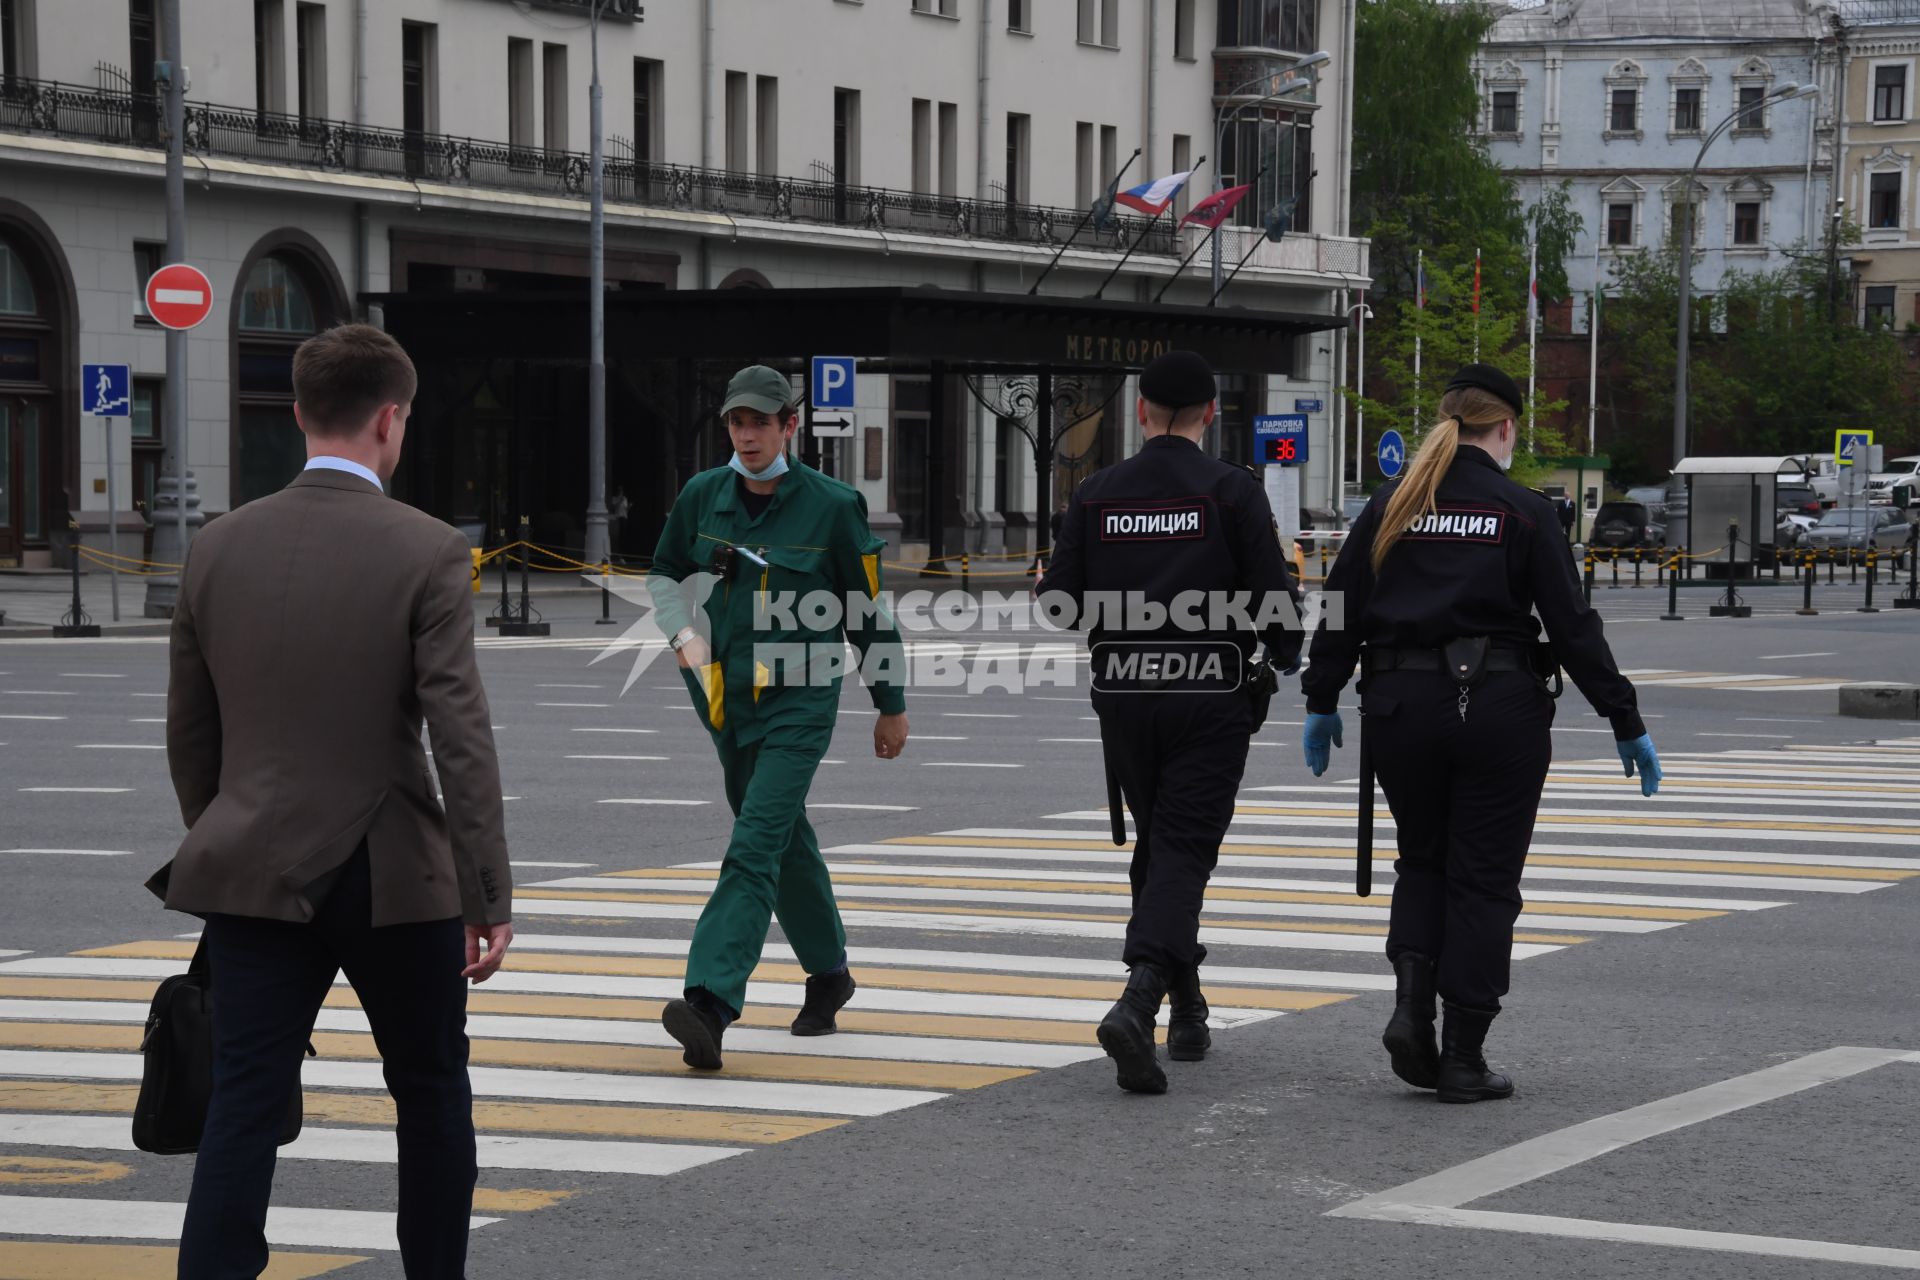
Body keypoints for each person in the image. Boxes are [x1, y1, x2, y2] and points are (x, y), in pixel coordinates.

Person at [154, 323, 514, 1278]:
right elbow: (460, 739)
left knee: (243, 1101)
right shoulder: (430, 550)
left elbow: (190, 733)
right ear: (390, 420)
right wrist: (487, 893)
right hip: (390, 877)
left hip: (253, 870)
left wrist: (230, 834)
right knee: (431, 1092)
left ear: (301, 414)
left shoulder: (216, 546)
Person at [1300, 362, 1660, 1105]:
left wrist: (1320, 697)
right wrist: (1624, 718)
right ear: (1506, 429)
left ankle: (1409, 1009)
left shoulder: (1390, 505)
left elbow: (1340, 606)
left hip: (1399, 707)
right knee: (1484, 880)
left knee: (1422, 861)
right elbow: (1572, 626)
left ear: (1445, 425)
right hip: (1497, 709)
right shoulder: (1523, 509)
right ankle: (1463, 1056)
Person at [1038, 349, 1304, 1095]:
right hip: (1209, 697)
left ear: (1143, 411)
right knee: (1184, 847)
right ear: (1210, 414)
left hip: (1123, 697)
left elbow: (1059, 604)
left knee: (1161, 844)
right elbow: (1273, 596)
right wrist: (1286, 657)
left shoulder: (1096, 492)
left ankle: (1186, 1009)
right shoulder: (1231, 492)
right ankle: (1139, 997)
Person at [648, 364, 909, 1069]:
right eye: (737, 421)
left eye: (761, 421)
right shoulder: (704, 495)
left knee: (756, 842)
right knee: (783, 836)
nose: (748, 433)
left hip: (801, 698)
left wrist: (890, 703)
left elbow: (866, 611)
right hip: (724, 699)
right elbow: (664, 570)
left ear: (789, 426)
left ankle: (709, 1001)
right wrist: (681, 632)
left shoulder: (833, 506)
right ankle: (830, 974)